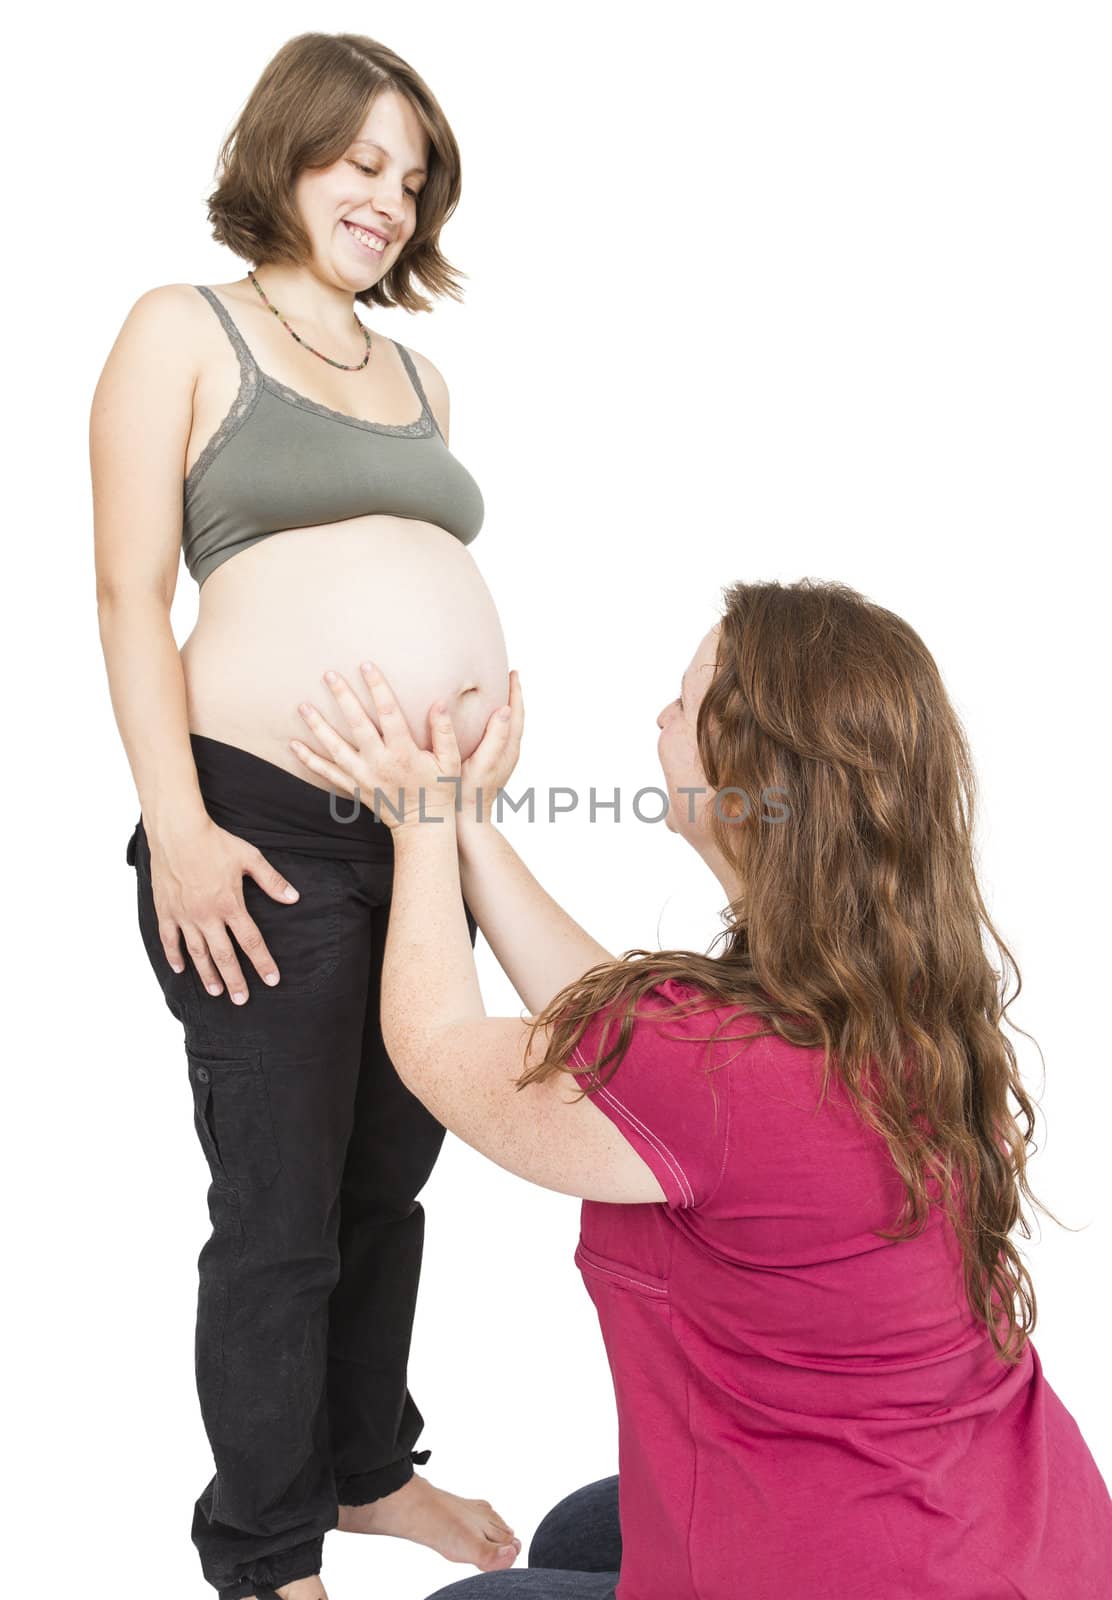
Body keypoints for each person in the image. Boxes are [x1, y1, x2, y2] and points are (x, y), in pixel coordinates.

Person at [288, 579, 1112, 1600]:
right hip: (1020, 1541)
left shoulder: (716, 1071)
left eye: (683, 700)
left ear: (750, 769)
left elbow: (439, 1044)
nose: (660, 716)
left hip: (877, 1576)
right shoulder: (894, 1004)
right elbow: (614, 1038)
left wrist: (415, 827)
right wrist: (466, 827)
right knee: (584, 1529)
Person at [92, 31, 520, 1600]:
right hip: (255, 824)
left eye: (412, 179)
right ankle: (267, 1552)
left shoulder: (420, 372)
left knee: (392, 1175)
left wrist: (463, 788)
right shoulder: (182, 329)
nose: (387, 198)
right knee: (280, 1209)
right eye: (359, 160)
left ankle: (363, 1470)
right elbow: (132, 593)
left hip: (417, 839)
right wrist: (181, 825)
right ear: (286, 149)